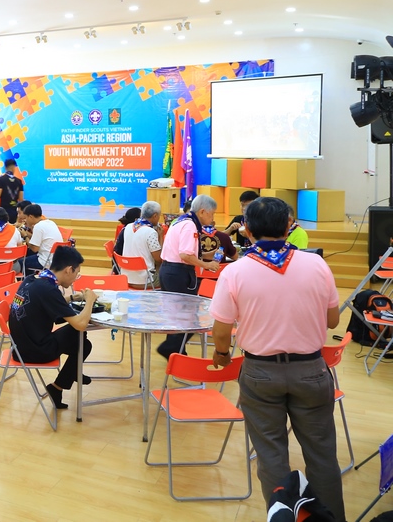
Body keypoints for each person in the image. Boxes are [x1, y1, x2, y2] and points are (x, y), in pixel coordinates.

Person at [209, 197, 344, 520]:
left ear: (247, 230)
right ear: (288, 226)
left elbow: (221, 331)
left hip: (260, 372)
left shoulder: (235, 271)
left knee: (271, 456)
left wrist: (222, 354)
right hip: (311, 370)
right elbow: (333, 321)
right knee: (322, 454)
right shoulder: (316, 264)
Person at [8, 246, 95, 409]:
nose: (75, 279)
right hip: (36, 351)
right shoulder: (48, 290)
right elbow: (81, 324)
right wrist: (89, 300)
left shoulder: (33, 279)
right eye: (77, 274)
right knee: (79, 335)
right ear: (69, 270)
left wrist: (72, 298)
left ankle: (63, 382)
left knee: (82, 343)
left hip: (19, 347)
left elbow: (47, 301)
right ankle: (68, 377)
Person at [156, 194, 221, 358]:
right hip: (178, 272)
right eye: (212, 214)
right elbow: (185, 255)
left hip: (168, 270)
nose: (213, 218)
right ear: (202, 211)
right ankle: (169, 347)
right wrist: (206, 265)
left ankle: (177, 352)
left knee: (175, 316)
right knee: (190, 317)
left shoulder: (180, 220)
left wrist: (206, 256)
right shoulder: (190, 226)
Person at [121, 201, 163, 288]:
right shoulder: (150, 232)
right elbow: (159, 258)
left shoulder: (128, 227)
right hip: (145, 281)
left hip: (125, 278)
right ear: (155, 216)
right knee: (172, 276)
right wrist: (161, 236)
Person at [21, 204, 64, 272]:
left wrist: (25, 236)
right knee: (28, 255)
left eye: (26, 218)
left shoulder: (38, 226)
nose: (25, 220)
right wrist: (27, 232)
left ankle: (29, 278)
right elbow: (40, 239)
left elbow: (34, 249)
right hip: (56, 259)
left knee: (20, 262)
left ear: (30, 216)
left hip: (45, 261)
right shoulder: (50, 222)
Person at [0, 158, 25, 223]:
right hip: (14, 211)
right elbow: (21, 199)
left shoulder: (1, 179)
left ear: (5, 167)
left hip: (3, 210)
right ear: (14, 167)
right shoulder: (19, 181)